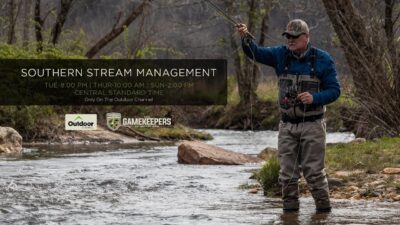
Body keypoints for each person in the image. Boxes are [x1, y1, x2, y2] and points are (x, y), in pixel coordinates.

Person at [238, 19, 340, 212]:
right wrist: (245, 39)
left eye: (294, 37)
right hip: (286, 126)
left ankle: (324, 214)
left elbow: (335, 91)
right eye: (288, 37)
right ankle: (290, 216)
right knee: (287, 175)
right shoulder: (280, 54)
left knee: (314, 173)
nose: (290, 40)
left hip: (313, 125)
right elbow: (255, 53)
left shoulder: (323, 59)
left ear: (306, 37)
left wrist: (315, 97)